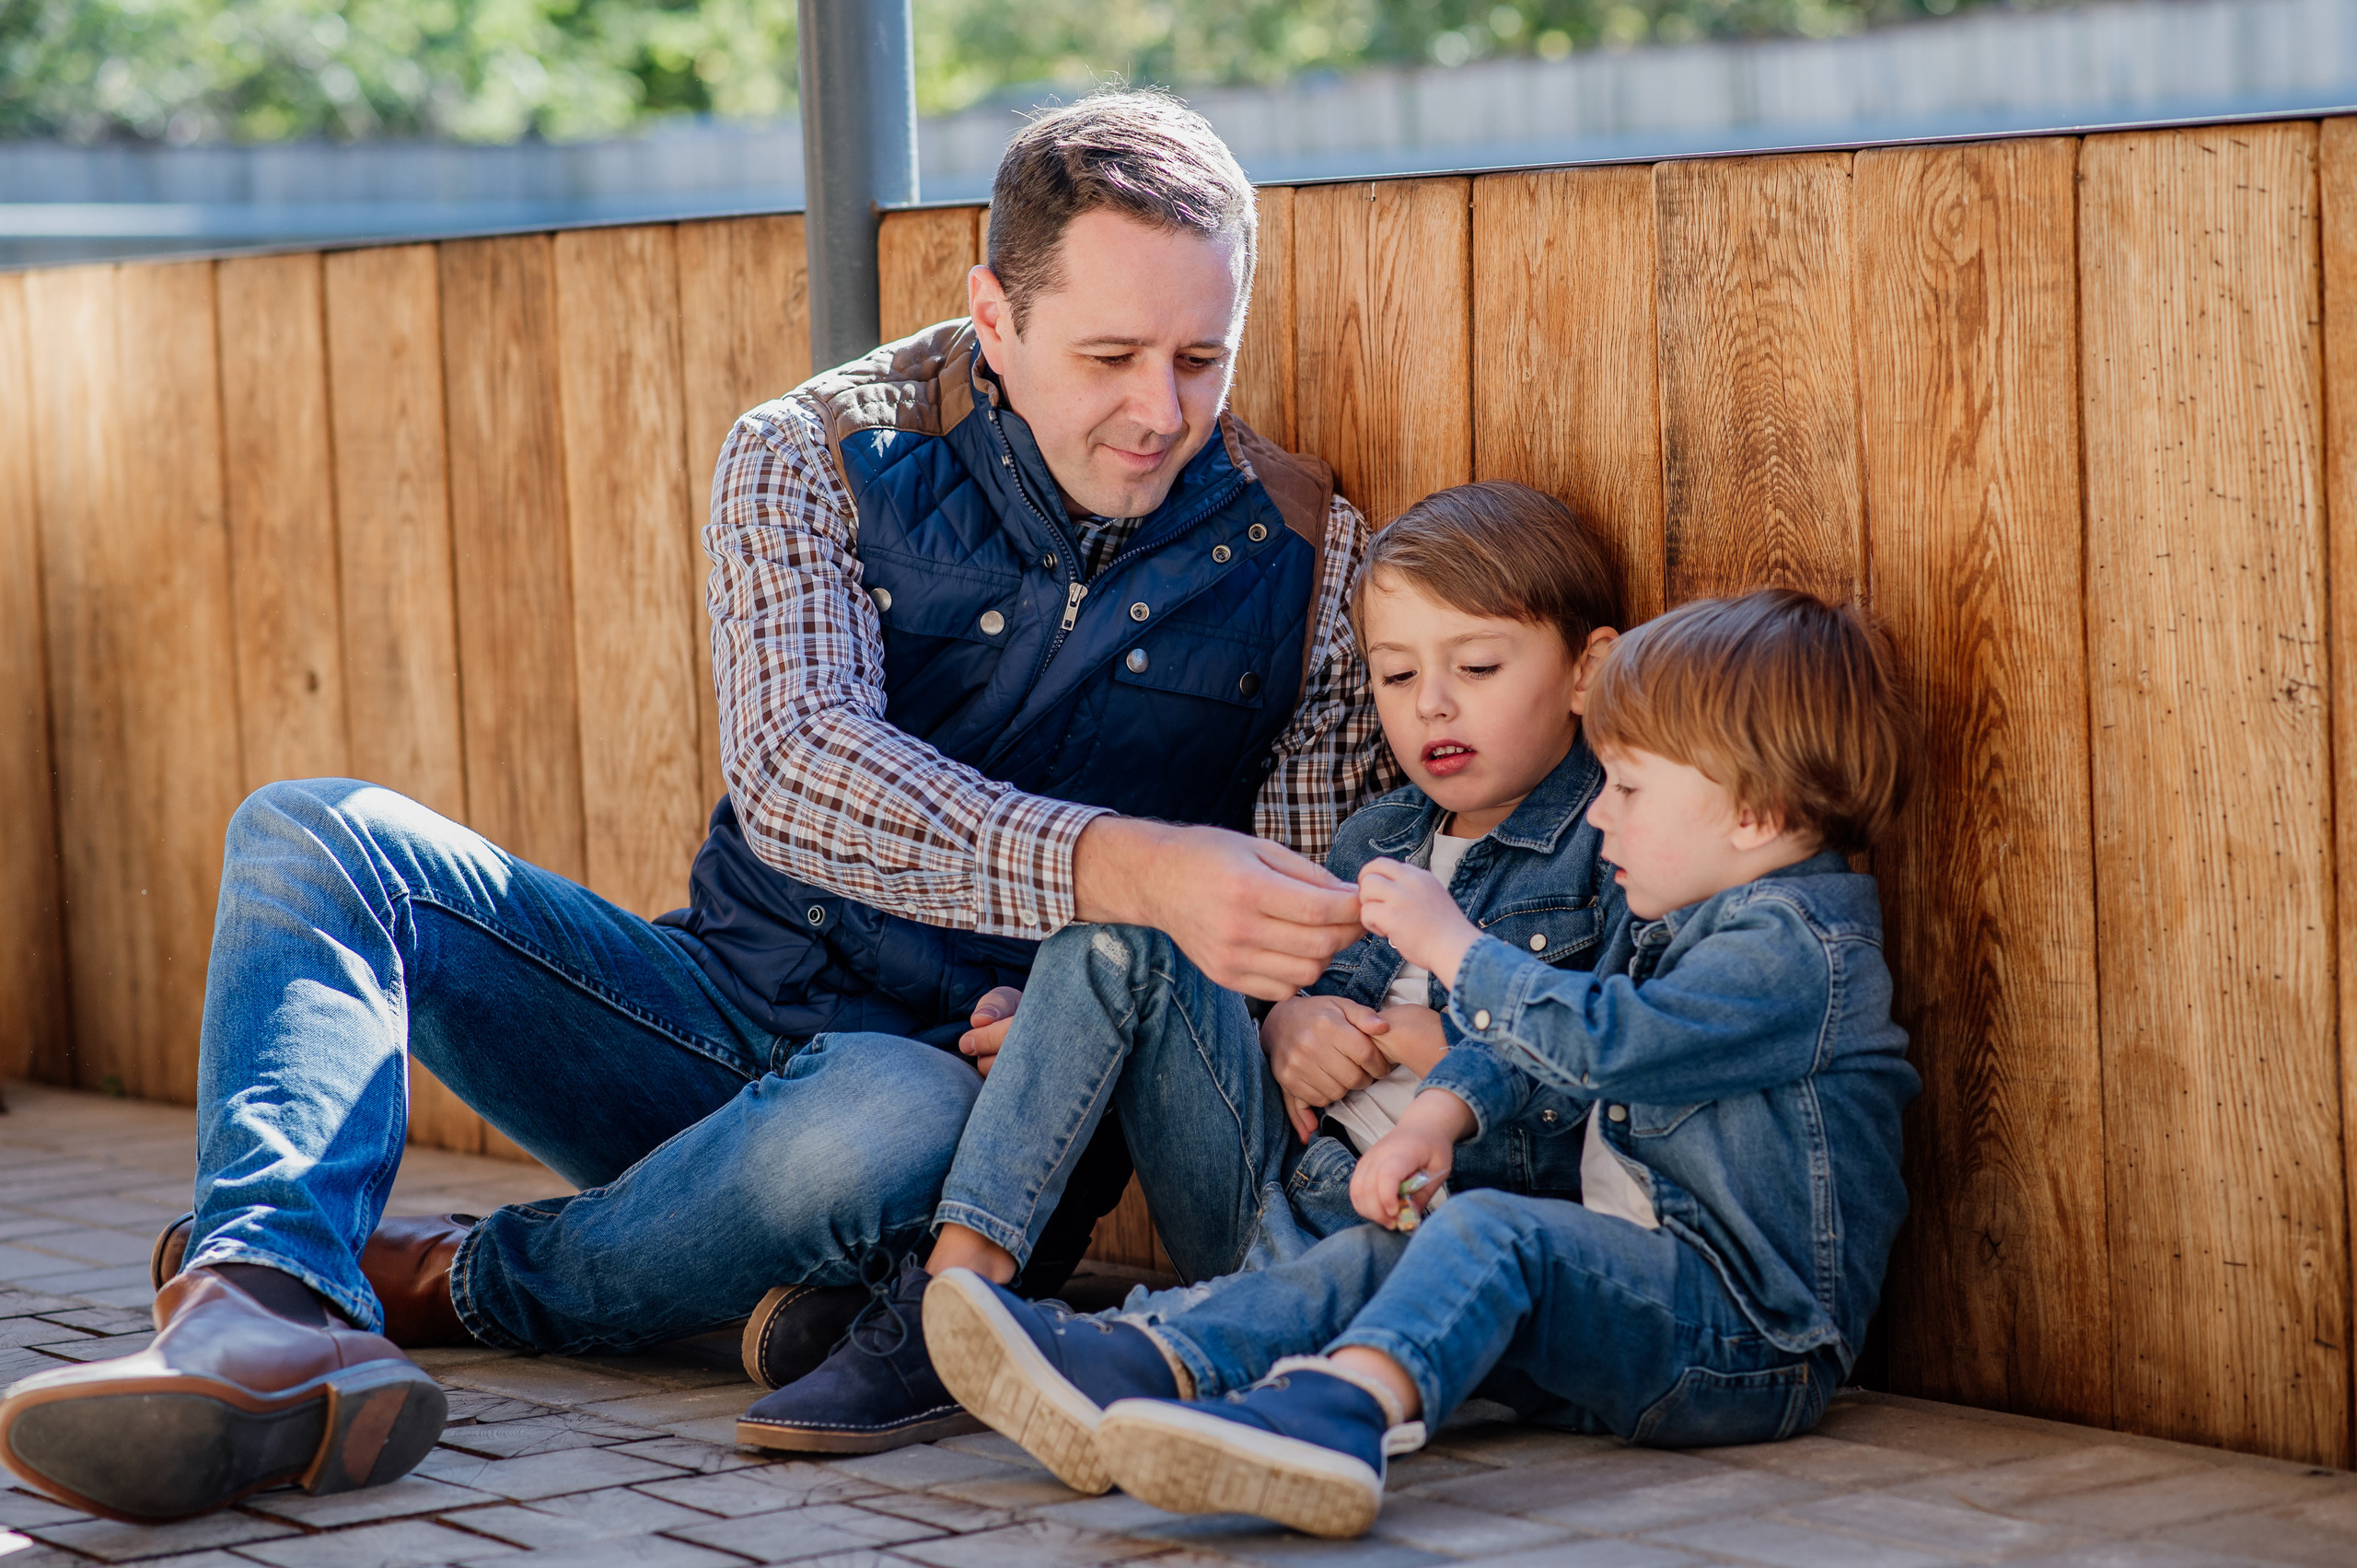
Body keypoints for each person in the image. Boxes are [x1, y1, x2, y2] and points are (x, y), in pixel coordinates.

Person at [0, 90, 1397, 1525]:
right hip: (707, 1024)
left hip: (969, 1129)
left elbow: (1277, 928)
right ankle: (266, 1299)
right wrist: (1123, 865)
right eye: (1110, 355)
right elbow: (800, 772)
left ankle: (467, 1279)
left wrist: (1089, 1004)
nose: (1159, 409)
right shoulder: (813, 453)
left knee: (885, 1109)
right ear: (994, 313)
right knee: (318, 828)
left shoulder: (1302, 554)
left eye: (1199, 358)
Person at [920, 587, 1921, 1539]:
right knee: (1387, 1249)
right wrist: (1437, 1115)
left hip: (1748, 1341)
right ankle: (1149, 1359)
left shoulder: (1796, 948)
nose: (1604, 813)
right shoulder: (1693, 915)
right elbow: (1554, 1051)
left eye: (1626, 787)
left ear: (1752, 812)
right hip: (1625, 1305)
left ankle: (1333, 1416)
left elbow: (1608, 1043)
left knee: (1492, 1230)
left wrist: (1453, 947)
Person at [732, 481, 1630, 1461]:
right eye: (1396, 675)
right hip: (1271, 1200)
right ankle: (953, 1295)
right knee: (1121, 934)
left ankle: (1152, 1345)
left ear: (1588, 669)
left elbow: (1628, 1064)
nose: (1434, 704)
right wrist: (1285, 1027)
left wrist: (1429, 1043)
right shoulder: (1380, 833)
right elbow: (1290, 997)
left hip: (1424, 1246)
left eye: (1479, 666)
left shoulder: (1614, 847)